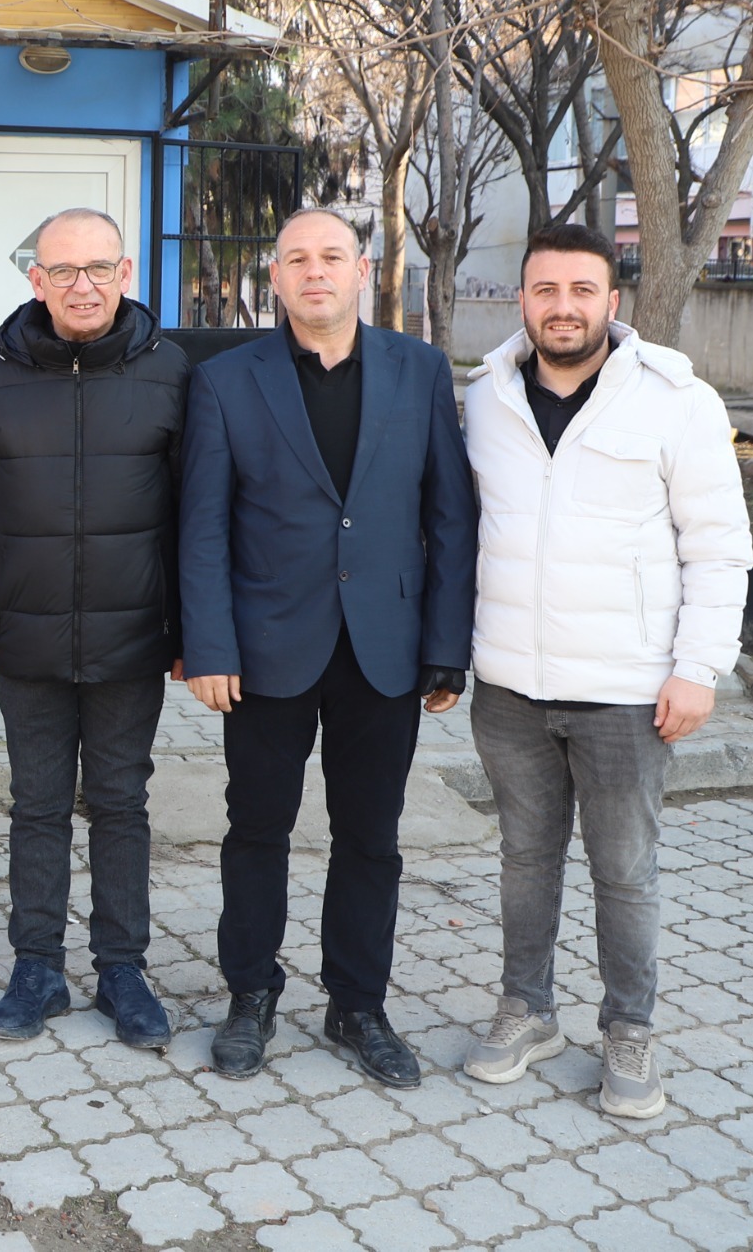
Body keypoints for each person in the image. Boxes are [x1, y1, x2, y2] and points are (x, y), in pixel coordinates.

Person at [178, 206, 477, 1088]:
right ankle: (250, 996)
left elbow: (450, 516)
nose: (315, 272)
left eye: (332, 256)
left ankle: (358, 1003)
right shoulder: (227, 380)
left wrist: (445, 646)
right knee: (256, 829)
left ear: (360, 269)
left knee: (371, 838)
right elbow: (201, 527)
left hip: (384, 650)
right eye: (296, 259)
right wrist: (208, 646)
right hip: (266, 648)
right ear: (273, 278)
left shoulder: (418, 370)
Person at [458, 223, 750, 1119]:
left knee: (625, 871)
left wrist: (698, 667)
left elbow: (720, 546)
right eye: (546, 291)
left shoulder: (673, 398)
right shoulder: (486, 397)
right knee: (523, 859)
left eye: (582, 291)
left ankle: (630, 1031)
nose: (563, 308)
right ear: (523, 301)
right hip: (509, 685)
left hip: (627, 691)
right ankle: (527, 1008)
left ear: (611, 303)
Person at [0, 209, 190, 1050]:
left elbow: (200, 515)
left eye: (98, 269)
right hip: (27, 636)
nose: (82, 286)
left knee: (121, 804)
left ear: (125, 274)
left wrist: (192, 631)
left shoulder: (170, 372)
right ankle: (36, 968)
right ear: (35, 281)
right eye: (63, 272)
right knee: (38, 805)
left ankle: (123, 969)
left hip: (132, 638)